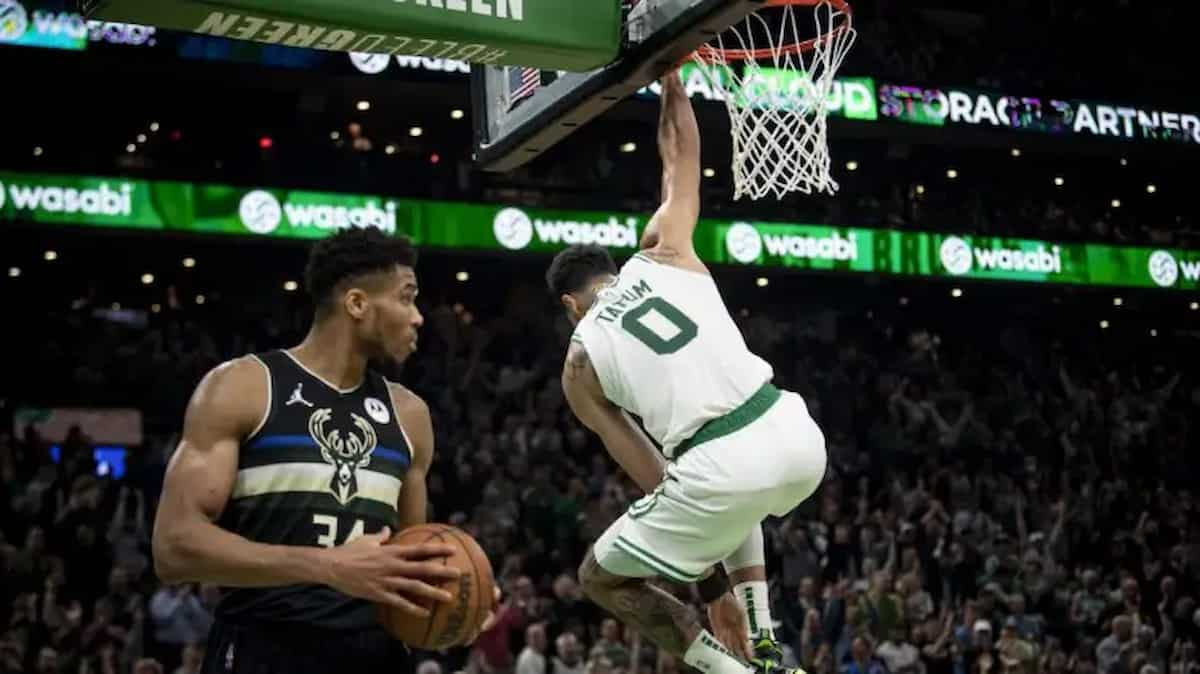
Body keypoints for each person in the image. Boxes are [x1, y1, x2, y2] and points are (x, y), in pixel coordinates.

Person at [547, 72, 827, 674]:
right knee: (738, 500)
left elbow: (656, 477)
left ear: (570, 305)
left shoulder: (578, 364)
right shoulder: (663, 249)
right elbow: (680, 156)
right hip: (796, 435)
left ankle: (732, 671)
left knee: (598, 578)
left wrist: (709, 588)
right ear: (609, 267)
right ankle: (768, 647)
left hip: (720, 468)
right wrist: (671, 78)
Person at [152, 229, 475, 673]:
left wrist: (459, 596)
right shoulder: (243, 387)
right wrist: (328, 566)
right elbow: (174, 548)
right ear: (357, 304)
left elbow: (409, 559)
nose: (418, 317)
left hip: (375, 655)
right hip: (264, 649)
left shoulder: (410, 415)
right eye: (406, 298)